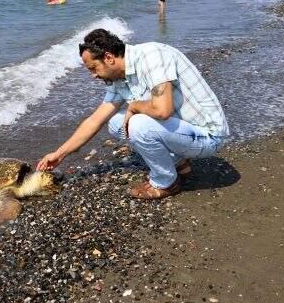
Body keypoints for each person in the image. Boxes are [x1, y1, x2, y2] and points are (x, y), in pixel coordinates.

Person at [37, 29, 229, 200]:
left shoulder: (152, 56)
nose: (93, 76)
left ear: (109, 58)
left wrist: (134, 106)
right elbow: (95, 120)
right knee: (116, 123)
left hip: (208, 136)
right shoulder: (120, 78)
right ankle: (179, 163)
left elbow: (163, 110)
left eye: (93, 68)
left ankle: (166, 182)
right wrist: (59, 154)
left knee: (137, 124)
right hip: (183, 132)